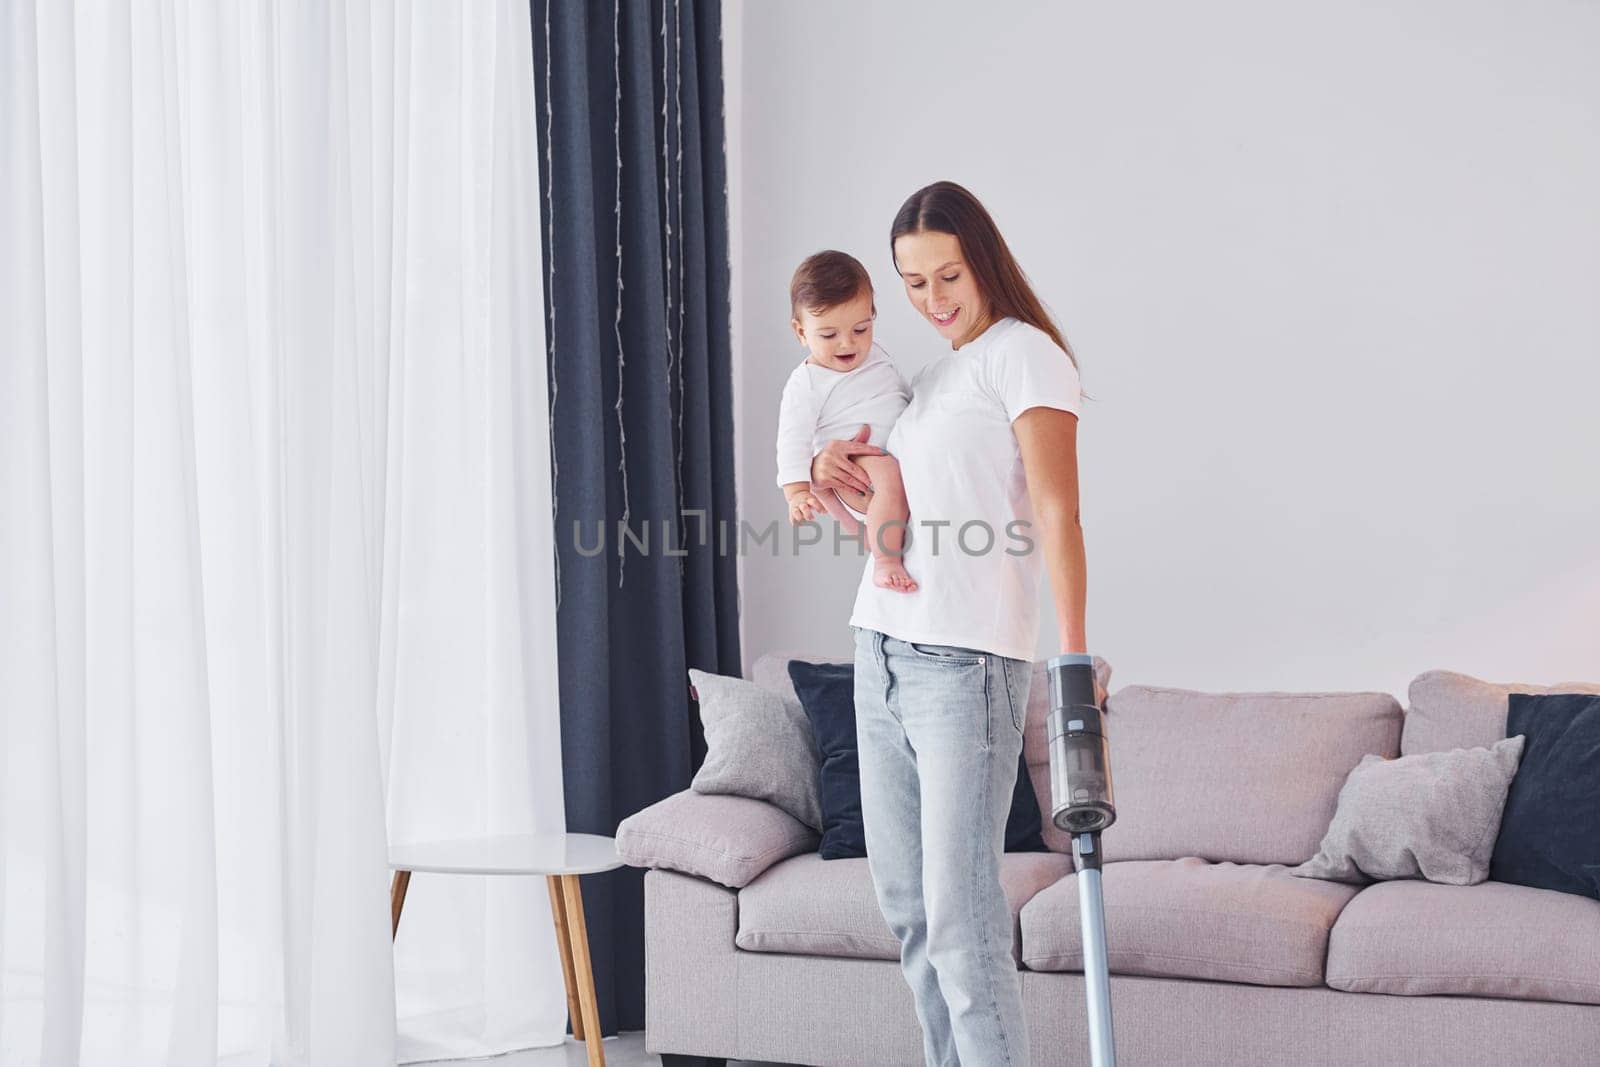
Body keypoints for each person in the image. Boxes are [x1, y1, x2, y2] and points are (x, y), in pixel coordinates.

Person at [809, 181, 1101, 1066]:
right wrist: (834, 473)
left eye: (948, 276)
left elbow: (1056, 513)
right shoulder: (930, 379)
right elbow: (898, 516)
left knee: (961, 918)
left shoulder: (1028, 357)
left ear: (983, 260)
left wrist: (1073, 658)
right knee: (908, 911)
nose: (932, 301)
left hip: (965, 667)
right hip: (879, 649)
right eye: (913, 283)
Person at [775, 250, 918, 592]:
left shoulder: (878, 354)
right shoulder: (807, 382)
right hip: (856, 463)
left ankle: (869, 537)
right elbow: (792, 439)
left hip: (881, 459)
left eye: (860, 328)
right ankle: (886, 561)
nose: (847, 343)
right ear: (801, 332)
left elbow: (898, 394)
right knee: (888, 474)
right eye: (828, 335)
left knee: (895, 478)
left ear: (873, 316)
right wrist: (796, 492)